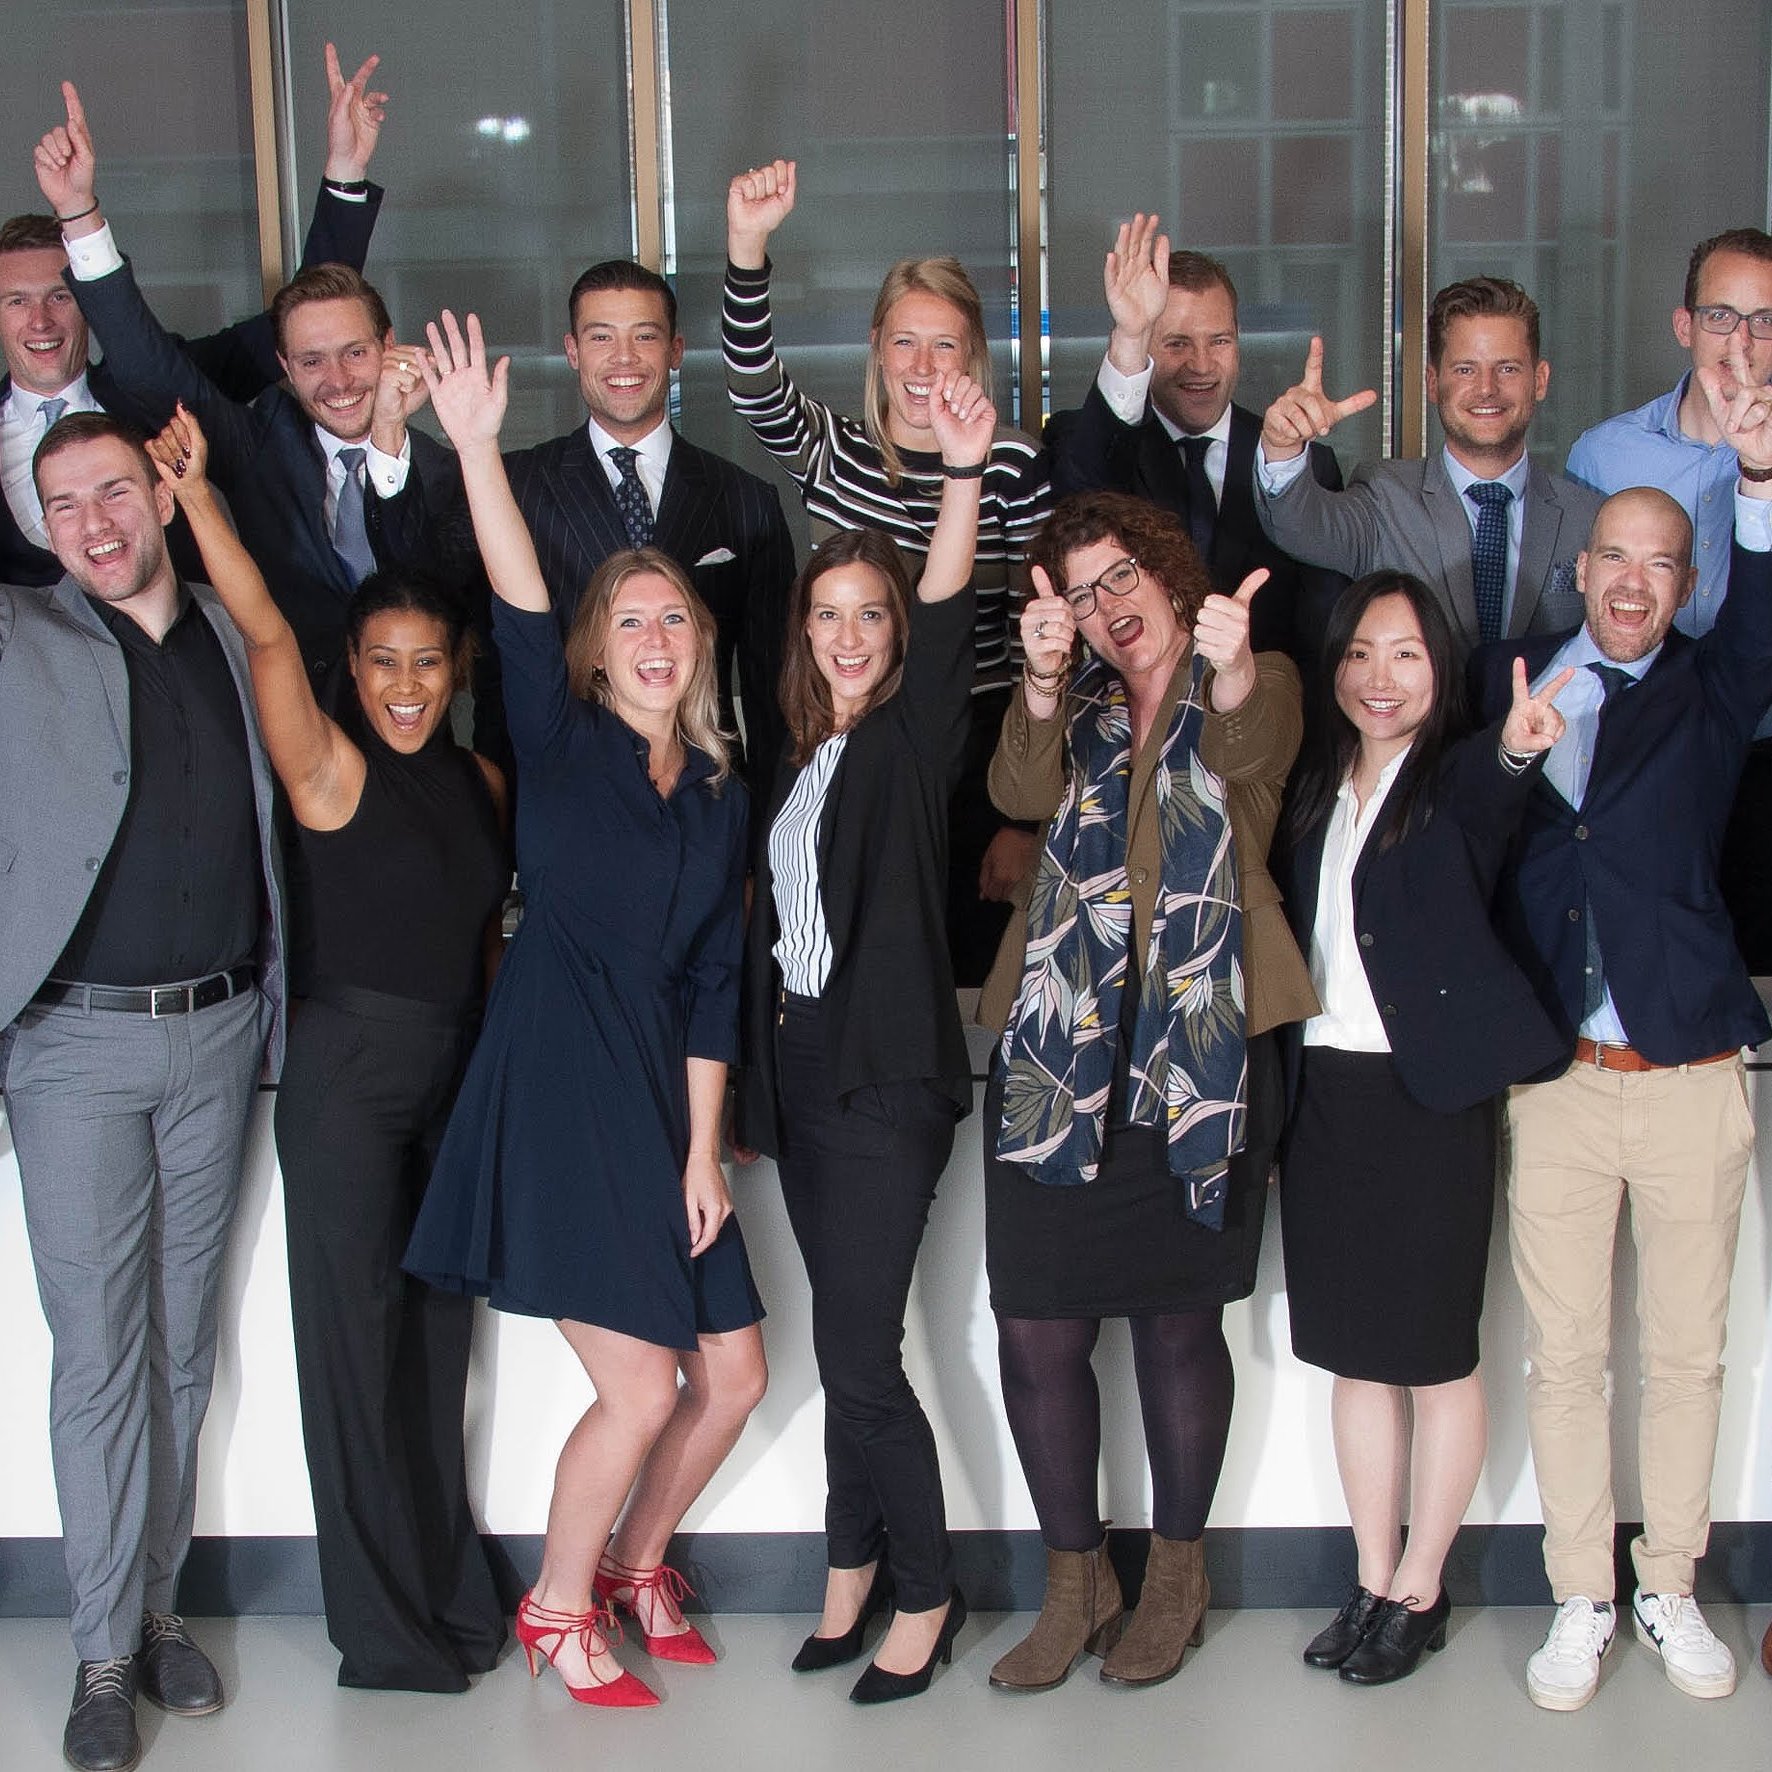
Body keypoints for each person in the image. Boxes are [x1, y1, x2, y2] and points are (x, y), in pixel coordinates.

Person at [403, 311, 766, 1710]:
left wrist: (702, 1148)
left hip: (660, 1092)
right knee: (642, 1388)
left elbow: (714, 981)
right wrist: (477, 450)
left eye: (675, 616)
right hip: (559, 1081)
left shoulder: (720, 792)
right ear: (598, 653)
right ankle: (556, 1605)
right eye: (631, 621)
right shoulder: (558, 741)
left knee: (733, 1374)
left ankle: (635, 1561)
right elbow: (514, 594)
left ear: (700, 643)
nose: (656, 637)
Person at [145, 403, 509, 1693]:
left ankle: (451, 1592)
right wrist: (200, 499)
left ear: (456, 669)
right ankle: (383, 1631)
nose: (405, 685)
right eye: (382, 662)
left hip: (453, 1083)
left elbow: (483, 942)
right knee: (353, 1360)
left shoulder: (483, 785)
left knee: (436, 1356)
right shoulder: (326, 770)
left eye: (427, 663)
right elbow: (259, 629)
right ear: (349, 668)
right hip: (347, 1079)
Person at [1468, 364, 1772, 1712]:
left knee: (1688, 1353)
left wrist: (1756, 477)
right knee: (1567, 1356)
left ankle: (1670, 1584)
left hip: (1690, 1069)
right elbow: (1469, 838)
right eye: (1615, 557)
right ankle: (1581, 1592)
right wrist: (1510, 754)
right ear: (1580, 568)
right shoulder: (1511, 680)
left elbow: (1760, 616)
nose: (1634, 581)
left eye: (1661, 562)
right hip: (1560, 1080)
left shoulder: (1711, 687)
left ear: (1683, 579)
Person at [976, 490, 1317, 1693]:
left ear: (1167, 572)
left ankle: (1175, 1577)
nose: (1104, 605)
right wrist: (1035, 681)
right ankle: (1077, 1583)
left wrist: (1230, 669)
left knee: (1178, 1324)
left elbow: (1249, 749)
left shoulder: (1252, 677)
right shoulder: (1072, 706)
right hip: (1056, 1051)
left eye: (1117, 575)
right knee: (1035, 1327)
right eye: (1077, 593)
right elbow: (1017, 794)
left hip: (1196, 1050)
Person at [0, 412, 285, 1772]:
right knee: (102, 1357)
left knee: (179, 1346)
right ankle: (103, 1652)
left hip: (218, 1034)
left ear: (165, 497)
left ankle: (160, 1608)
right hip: (71, 1047)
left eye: (114, 491)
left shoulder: (234, 635)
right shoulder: (19, 638)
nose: (94, 523)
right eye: (62, 504)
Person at [737, 369, 993, 1703]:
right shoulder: (799, 755)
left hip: (885, 1080)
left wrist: (959, 475)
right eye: (827, 613)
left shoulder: (907, 738)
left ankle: (929, 1590)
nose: (848, 634)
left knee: (857, 1355)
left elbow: (948, 616)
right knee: (848, 1345)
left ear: (896, 633)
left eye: (870, 614)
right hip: (803, 1075)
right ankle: (850, 1568)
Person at [1275, 572, 1568, 1685]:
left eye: (1403, 653)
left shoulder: (1453, 779)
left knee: (1437, 1359)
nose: (1378, 676)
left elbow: (1494, 796)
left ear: (1439, 667)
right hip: (1325, 1097)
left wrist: (1517, 748)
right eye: (1359, 652)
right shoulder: (1315, 785)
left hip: (1429, 1098)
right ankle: (1368, 1573)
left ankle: (1421, 1585)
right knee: (1355, 1358)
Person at [724, 157, 1052, 982]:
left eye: (944, 345)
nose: (922, 366)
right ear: (876, 345)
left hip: (976, 756)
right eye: (904, 341)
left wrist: (1025, 815)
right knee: (853, 963)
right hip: (846, 741)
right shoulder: (835, 452)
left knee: (972, 977)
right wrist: (747, 247)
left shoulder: (1011, 462)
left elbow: (1040, 647)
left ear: (973, 355)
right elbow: (754, 385)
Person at [37, 81, 461, 696]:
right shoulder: (257, 441)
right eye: (311, 361)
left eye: (356, 353)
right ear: (282, 364)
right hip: (286, 730)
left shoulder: (447, 470)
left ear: (388, 344)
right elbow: (147, 370)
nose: (339, 381)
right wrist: (79, 214)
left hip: (413, 733)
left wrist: (391, 438)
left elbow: (433, 599)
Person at [2, 45, 387, 587]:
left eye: (62, 296)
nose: (40, 320)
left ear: (91, 301)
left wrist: (345, 172)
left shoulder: (170, 381)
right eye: (16, 301)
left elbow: (313, 319)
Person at [489, 258, 796, 795]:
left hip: (706, 794)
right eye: (601, 337)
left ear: (676, 351)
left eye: (645, 336)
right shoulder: (515, 486)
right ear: (572, 351)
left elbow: (773, 689)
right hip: (565, 797)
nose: (624, 357)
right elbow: (489, 666)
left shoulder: (747, 500)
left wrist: (769, 829)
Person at [1566, 228, 1772, 968]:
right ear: (1685, 325)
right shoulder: (1604, 454)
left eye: (1764, 319)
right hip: (1641, 758)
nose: (1740, 340)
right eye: (1720, 315)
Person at [1047, 214, 1346, 665]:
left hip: (1267, 704)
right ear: (1147, 346)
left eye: (1219, 341)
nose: (1201, 365)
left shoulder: (1305, 465)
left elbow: (1323, 636)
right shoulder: (1092, 443)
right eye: (1177, 343)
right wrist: (1129, 335)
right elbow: (1080, 492)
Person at [1254, 277, 1603, 651]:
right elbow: (1300, 527)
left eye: (1507, 369)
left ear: (1540, 380)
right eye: (1465, 369)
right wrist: (1282, 446)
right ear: (1433, 383)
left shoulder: (1590, 519)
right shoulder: (1385, 496)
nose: (1487, 388)